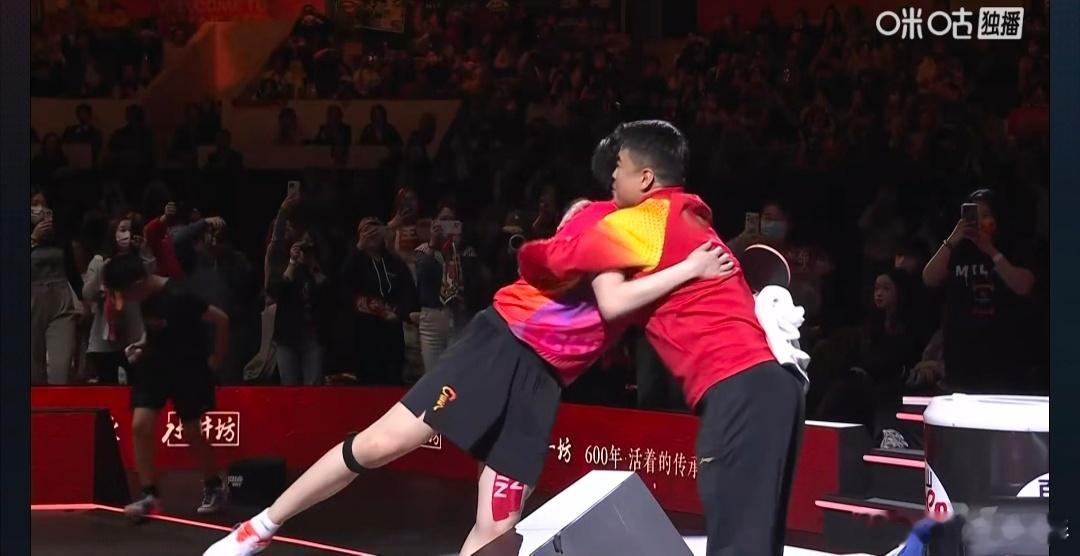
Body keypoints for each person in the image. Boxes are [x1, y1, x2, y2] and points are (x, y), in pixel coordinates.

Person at [203, 151, 735, 556]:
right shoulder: (598, 218)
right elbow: (611, 288)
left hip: (543, 382)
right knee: (381, 444)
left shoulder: (660, 255)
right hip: (501, 343)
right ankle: (258, 528)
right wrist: (689, 269)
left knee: (498, 525)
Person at [517, 120, 805, 556]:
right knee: (757, 544)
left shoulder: (638, 223)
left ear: (646, 177)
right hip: (774, 387)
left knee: (737, 547)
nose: (612, 176)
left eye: (619, 165)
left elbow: (587, 287)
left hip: (739, 389)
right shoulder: (688, 217)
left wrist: (575, 223)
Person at [102, 254, 231, 519]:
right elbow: (157, 329)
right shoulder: (144, 297)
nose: (125, 299)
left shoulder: (180, 295)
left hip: (188, 368)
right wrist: (143, 345)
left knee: (191, 431)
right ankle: (149, 496)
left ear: (138, 284)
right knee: (140, 426)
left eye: (125, 292)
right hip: (155, 366)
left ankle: (214, 485)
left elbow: (221, 320)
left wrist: (216, 360)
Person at [921, 189, 1037, 393]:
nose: (979, 222)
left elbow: (1024, 285)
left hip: (1001, 354)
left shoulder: (1012, 247)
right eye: (974, 215)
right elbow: (929, 278)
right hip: (961, 354)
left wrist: (990, 251)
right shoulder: (959, 249)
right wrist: (952, 239)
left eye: (986, 215)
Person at [82, 213, 157, 384]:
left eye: (130, 230)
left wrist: (144, 249)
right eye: (122, 230)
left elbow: (151, 276)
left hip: (134, 337)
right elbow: (87, 294)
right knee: (108, 388)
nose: (127, 234)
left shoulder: (138, 260)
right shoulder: (99, 261)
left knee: (138, 385)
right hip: (105, 340)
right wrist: (103, 270)